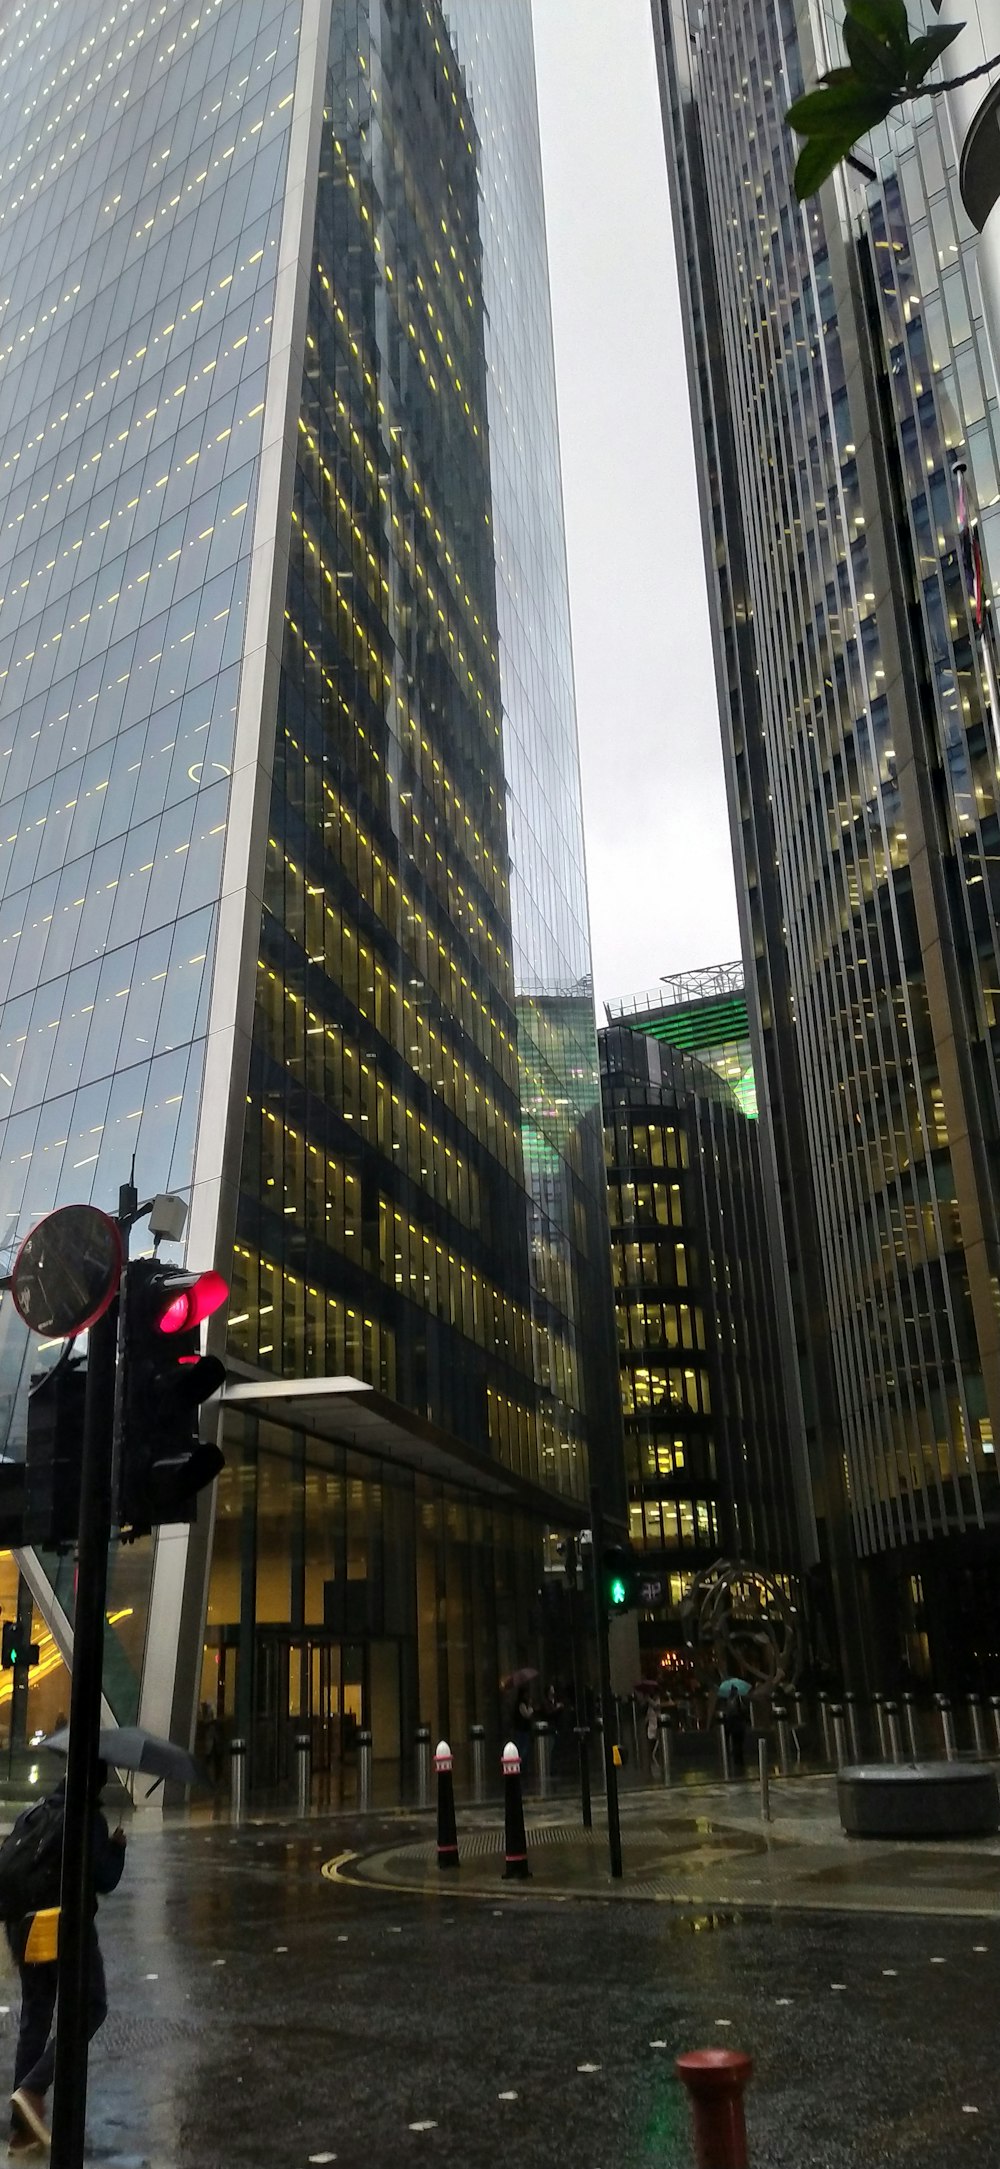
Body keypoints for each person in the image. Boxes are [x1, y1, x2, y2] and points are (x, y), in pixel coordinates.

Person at [7, 1761, 126, 2153]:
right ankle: (33, 2087)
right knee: (91, 2006)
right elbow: (104, 1878)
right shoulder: (87, 1819)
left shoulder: (37, 1811)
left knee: (35, 2018)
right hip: (65, 1925)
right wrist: (117, 1849)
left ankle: (22, 2132)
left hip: (23, 1925)